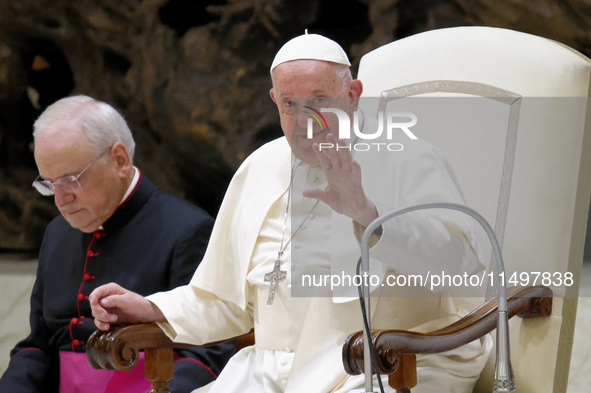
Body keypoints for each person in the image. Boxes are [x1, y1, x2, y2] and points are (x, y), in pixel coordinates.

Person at [89, 33, 492, 392]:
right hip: (269, 371)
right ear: (274, 101)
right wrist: (153, 308)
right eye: (290, 104)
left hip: (382, 365)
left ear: (353, 94)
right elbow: (225, 301)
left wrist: (369, 216)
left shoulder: (409, 158)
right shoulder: (259, 168)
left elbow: (461, 264)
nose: (304, 122)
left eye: (320, 100)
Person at [0, 95, 234, 393]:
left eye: (71, 179)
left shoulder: (187, 229)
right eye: (49, 184)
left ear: (120, 160)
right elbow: (41, 344)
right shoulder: (57, 232)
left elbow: (210, 351)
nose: (60, 199)